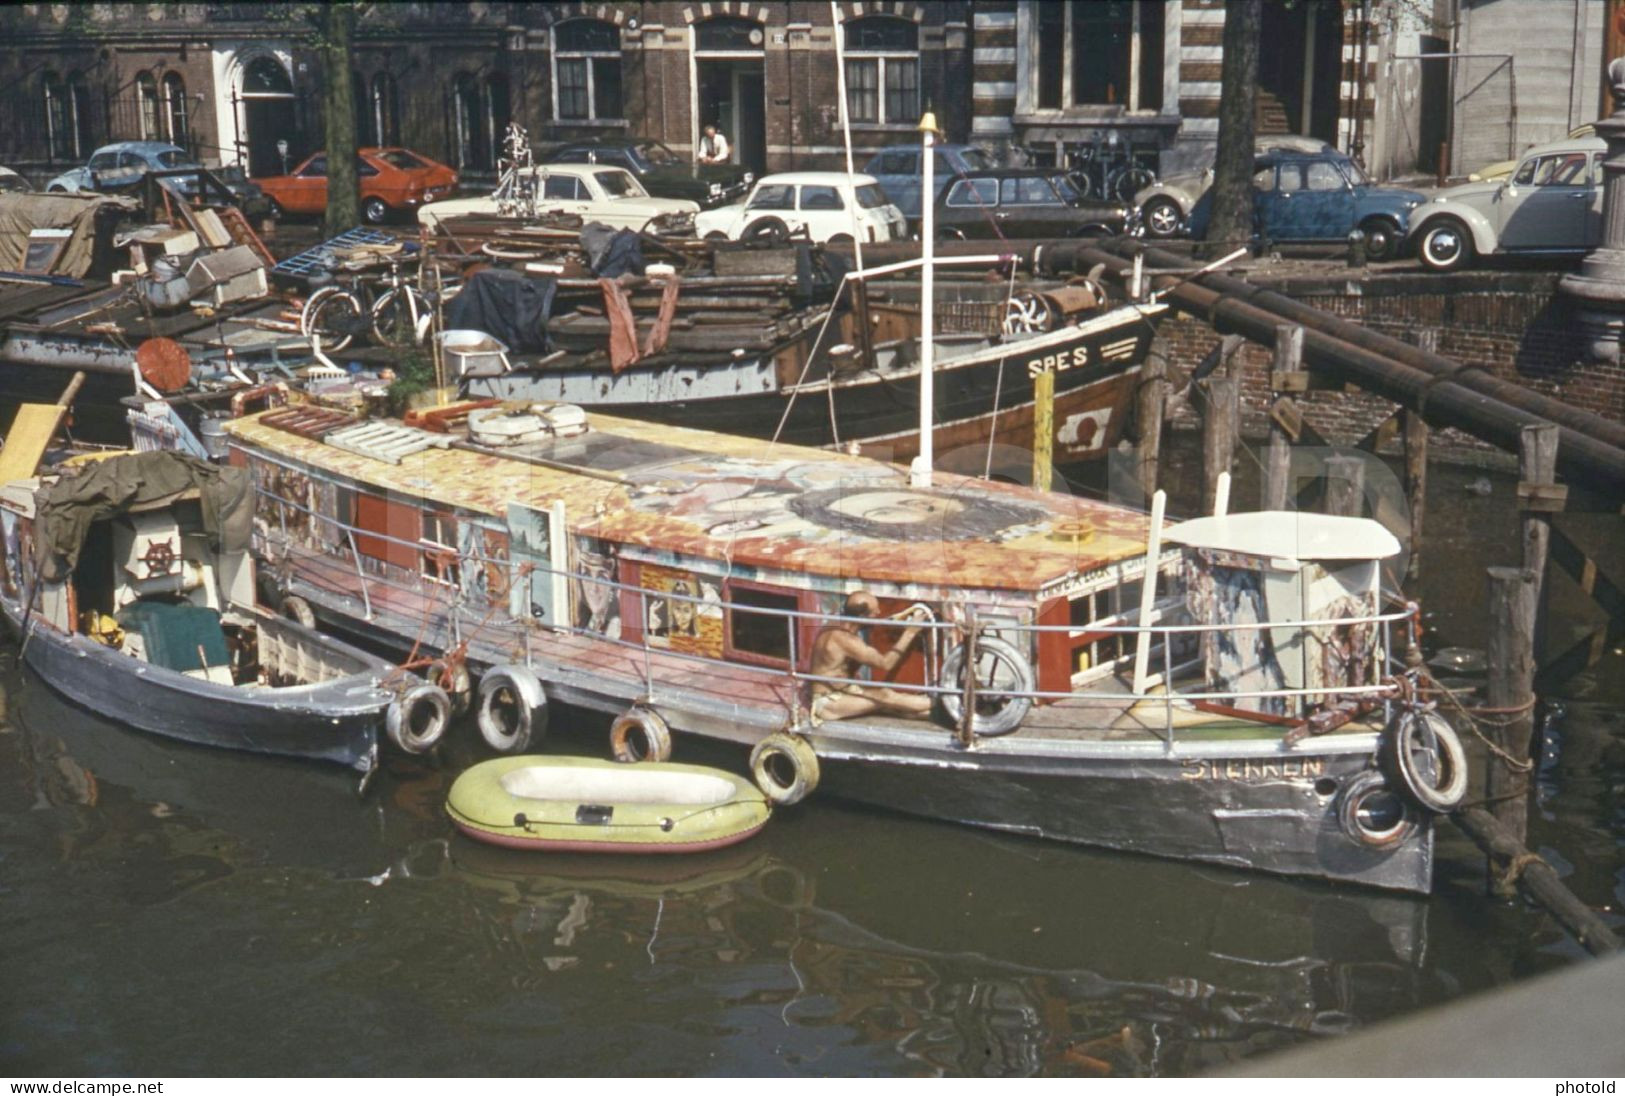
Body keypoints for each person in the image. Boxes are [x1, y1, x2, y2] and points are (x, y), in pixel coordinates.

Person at [807, 590, 932, 723]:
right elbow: (886, 663)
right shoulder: (845, 639)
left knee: (895, 704)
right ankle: (941, 705)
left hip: (844, 691)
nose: (878, 613)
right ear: (862, 616)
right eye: (874, 612)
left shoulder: (837, 623)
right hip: (828, 703)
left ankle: (930, 709)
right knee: (885, 696)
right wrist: (910, 632)